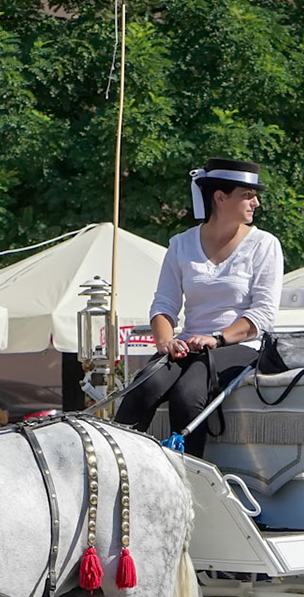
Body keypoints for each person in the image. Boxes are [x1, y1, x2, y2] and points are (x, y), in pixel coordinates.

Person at [116, 157, 283, 457]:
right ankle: (119, 463)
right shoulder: (181, 244)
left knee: (187, 393)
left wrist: (216, 338)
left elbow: (263, 315)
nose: (256, 203)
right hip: (189, 345)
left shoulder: (265, 244)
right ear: (220, 197)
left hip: (241, 345)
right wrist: (166, 342)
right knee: (143, 386)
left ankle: (189, 478)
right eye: (247, 195)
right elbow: (164, 304)